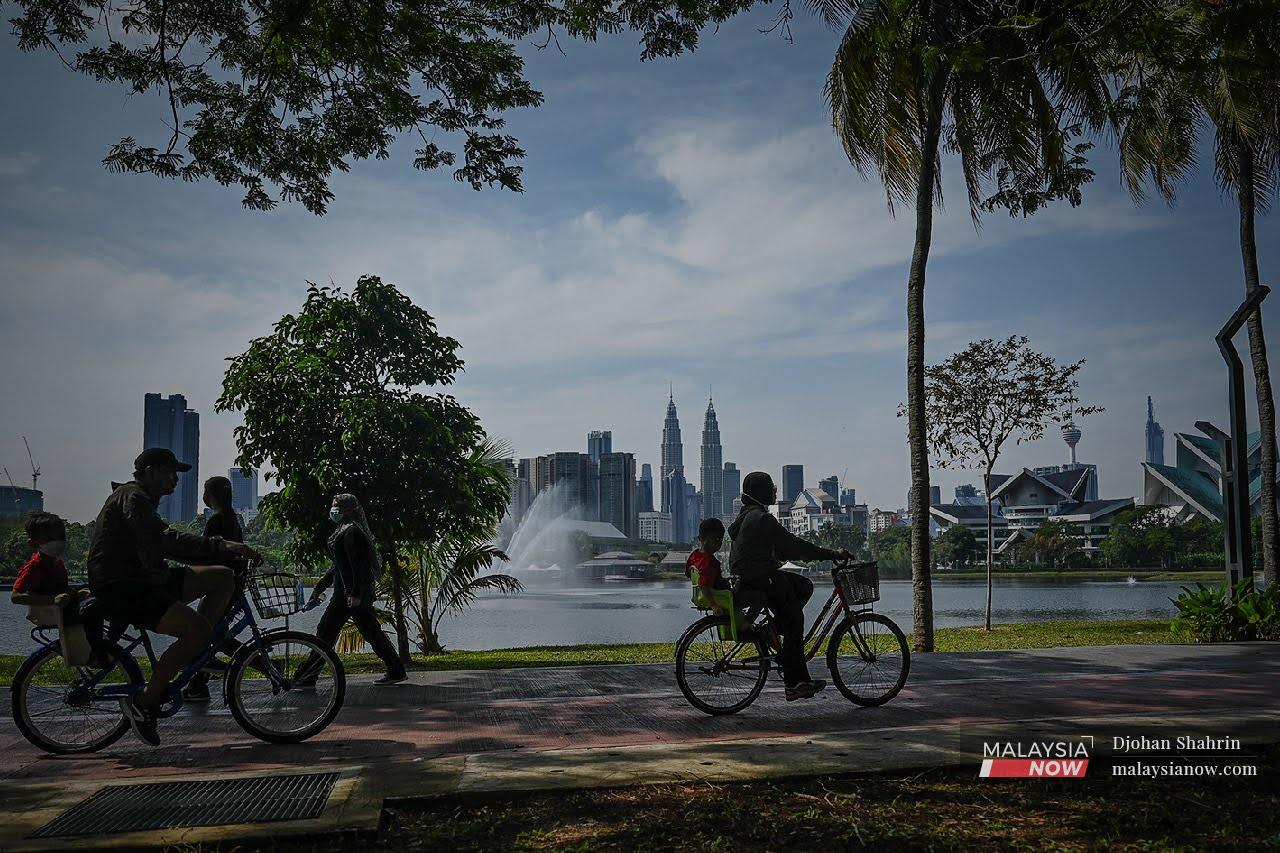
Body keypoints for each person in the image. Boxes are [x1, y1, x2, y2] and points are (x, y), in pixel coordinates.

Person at [87, 448, 259, 746]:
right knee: (198, 628)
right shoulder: (134, 498)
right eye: (170, 474)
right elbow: (164, 540)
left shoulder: (140, 500)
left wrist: (220, 550)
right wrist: (223, 546)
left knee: (222, 576)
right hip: (126, 585)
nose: (175, 481)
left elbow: (166, 547)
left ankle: (197, 648)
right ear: (151, 472)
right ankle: (145, 703)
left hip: (149, 577)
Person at [728, 471, 849, 701]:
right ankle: (796, 682)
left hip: (753, 576)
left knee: (803, 586)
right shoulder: (762, 519)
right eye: (771, 487)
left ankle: (777, 630)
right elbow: (793, 545)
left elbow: (781, 548)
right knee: (795, 619)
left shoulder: (747, 516)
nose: (775, 490)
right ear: (762, 492)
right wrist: (831, 554)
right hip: (761, 578)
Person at [299, 493, 406, 687]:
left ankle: (308, 675)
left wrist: (354, 593)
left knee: (326, 631)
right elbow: (339, 565)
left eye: (336, 506)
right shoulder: (345, 530)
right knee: (367, 631)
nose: (333, 511)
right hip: (347, 593)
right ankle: (396, 669)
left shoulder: (352, 532)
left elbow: (358, 567)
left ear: (347, 510)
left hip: (348, 594)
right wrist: (322, 585)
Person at [182, 476, 249, 703]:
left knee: (204, 631)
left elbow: (205, 553)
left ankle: (259, 662)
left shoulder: (215, 521)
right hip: (233, 585)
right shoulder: (234, 519)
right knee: (216, 633)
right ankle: (196, 685)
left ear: (210, 496)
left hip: (218, 586)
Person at [11, 511, 105, 664]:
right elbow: (16, 596)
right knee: (94, 606)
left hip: (67, 607)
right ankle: (97, 652)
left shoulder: (56, 562)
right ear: (33, 543)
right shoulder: (34, 566)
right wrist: (53, 599)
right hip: (57, 612)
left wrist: (75, 594)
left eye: (61, 537)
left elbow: (61, 590)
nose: (57, 542)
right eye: (49, 539)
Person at [685, 518, 729, 616]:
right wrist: (713, 605)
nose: (719, 543)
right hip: (718, 597)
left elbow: (688, 573)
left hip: (701, 596)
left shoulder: (694, 555)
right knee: (758, 597)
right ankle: (745, 625)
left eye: (720, 540)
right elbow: (703, 584)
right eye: (717, 539)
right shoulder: (709, 561)